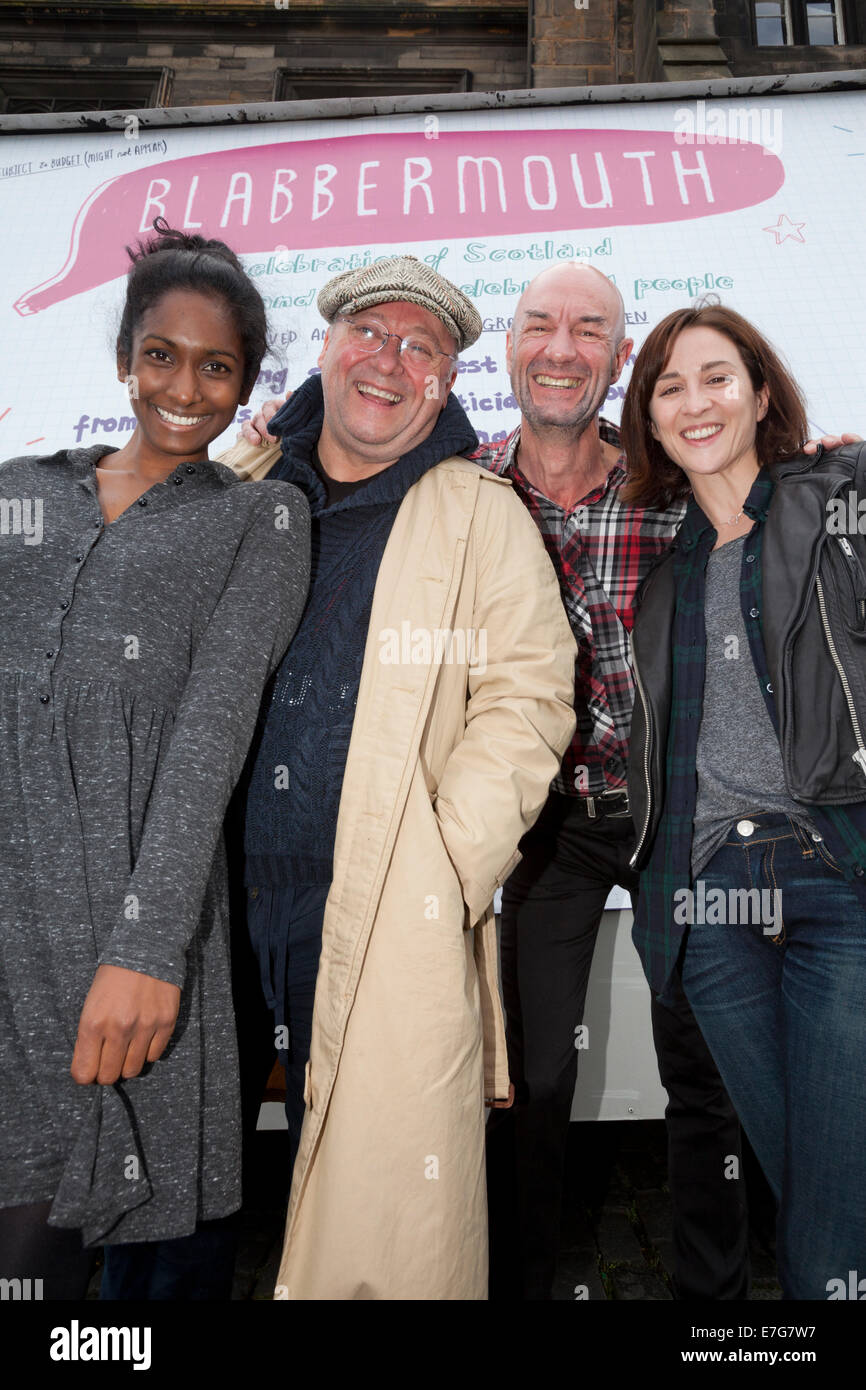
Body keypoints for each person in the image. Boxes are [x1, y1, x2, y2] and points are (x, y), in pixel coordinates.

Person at [218, 254, 577, 1300]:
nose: (388, 359)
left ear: (444, 382)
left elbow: (529, 699)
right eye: (368, 333)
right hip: (207, 901)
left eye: (419, 347)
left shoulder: (479, 511)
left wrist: (443, 868)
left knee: (371, 1207)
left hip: (370, 902)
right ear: (324, 349)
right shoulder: (241, 483)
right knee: (176, 1184)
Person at [0, 219, 310, 1301]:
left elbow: (208, 744)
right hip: (7, 930)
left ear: (244, 384)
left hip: (130, 943)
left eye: (216, 365)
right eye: (163, 355)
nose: (185, 385)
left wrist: (144, 952)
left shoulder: (260, 520)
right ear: (125, 358)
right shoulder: (18, 492)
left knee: (119, 1253)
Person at [468, 263, 751, 1302]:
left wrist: (819, 463)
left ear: (616, 356)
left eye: (587, 328)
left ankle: (712, 1305)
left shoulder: (672, 479)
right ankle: (519, 1282)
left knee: (703, 1064)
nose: (559, 344)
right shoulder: (464, 488)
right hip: (545, 821)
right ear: (507, 345)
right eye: (538, 323)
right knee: (530, 1076)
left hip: (674, 813)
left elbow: (771, 493)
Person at [622, 301, 866, 1299]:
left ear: (758, 392)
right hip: (711, 904)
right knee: (802, 1180)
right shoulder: (663, 580)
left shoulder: (836, 501)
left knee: (830, 1202)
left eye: (715, 376)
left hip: (831, 880)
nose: (693, 401)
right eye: (667, 386)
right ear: (647, 417)